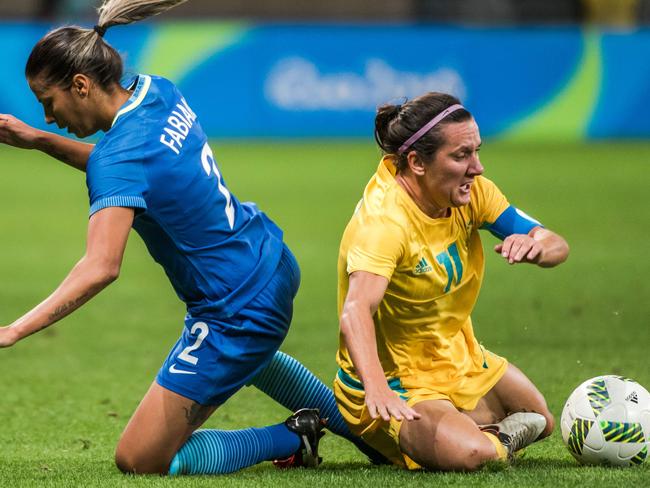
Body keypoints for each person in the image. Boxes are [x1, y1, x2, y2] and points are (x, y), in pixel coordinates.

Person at [0, 0, 383, 475]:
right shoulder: (158, 92)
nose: (48, 117)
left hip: (236, 307)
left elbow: (101, 265)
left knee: (139, 459)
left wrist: (13, 330)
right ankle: (365, 426)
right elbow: (134, 172)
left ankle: (292, 434)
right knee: (250, 356)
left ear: (79, 85)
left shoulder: (117, 159)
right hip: (269, 259)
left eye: (47, 102)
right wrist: (39, 141)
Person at [333, 93, 570, 471]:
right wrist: (377, 389)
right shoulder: (385, 224)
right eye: (461, 155)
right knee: (472, 454)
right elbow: (356, 310)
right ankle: (420, 439)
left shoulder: (470, 193)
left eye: (476, 151)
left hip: (456, 356)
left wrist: (536, 246)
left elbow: (557, 244)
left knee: (541, 419)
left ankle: (457, 435)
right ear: (417, 163)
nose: (477, 167)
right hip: (395, 380)